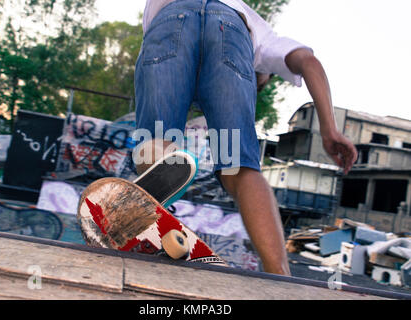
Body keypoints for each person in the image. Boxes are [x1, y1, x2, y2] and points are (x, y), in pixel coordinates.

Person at [133, 0, 358, 275]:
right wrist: (329, 128)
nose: (256, 87)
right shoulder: (261, 40)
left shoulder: (248, 15)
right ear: (263, 73)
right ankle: (280, 273)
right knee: (239, 167)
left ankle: (163, 160)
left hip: (168, 23)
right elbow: (308, 61)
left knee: (155, 138)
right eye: (257, 85)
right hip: (230, 34)